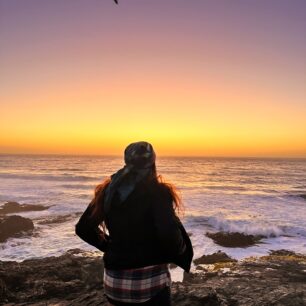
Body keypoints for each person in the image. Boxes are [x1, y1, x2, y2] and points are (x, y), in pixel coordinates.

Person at [75, 141, 193, 306]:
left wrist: (110, 245)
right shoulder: (158, 192)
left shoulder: (108, 190)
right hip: (148, 286)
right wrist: (178, 251)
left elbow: (83, 228)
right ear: (152, 162)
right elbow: (168, 232)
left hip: (113, 285)